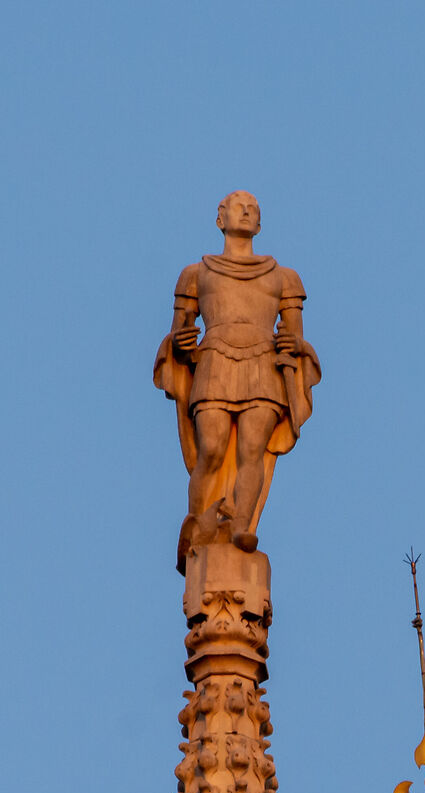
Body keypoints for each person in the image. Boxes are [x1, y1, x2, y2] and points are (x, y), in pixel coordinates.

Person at [154, 191, 321, 557]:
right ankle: (198, 522)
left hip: (263, 366)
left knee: (251, 449)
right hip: (214, 361)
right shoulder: (195, 274)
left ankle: (243, 526)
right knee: (210, 449)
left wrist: (291, 345)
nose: (245, 213)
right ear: (220, 219)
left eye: (252, 210)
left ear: (259, 223)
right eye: (237, 208)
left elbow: (294, 335)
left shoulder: (284, 277)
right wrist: (179, 344)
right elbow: (179, 330)